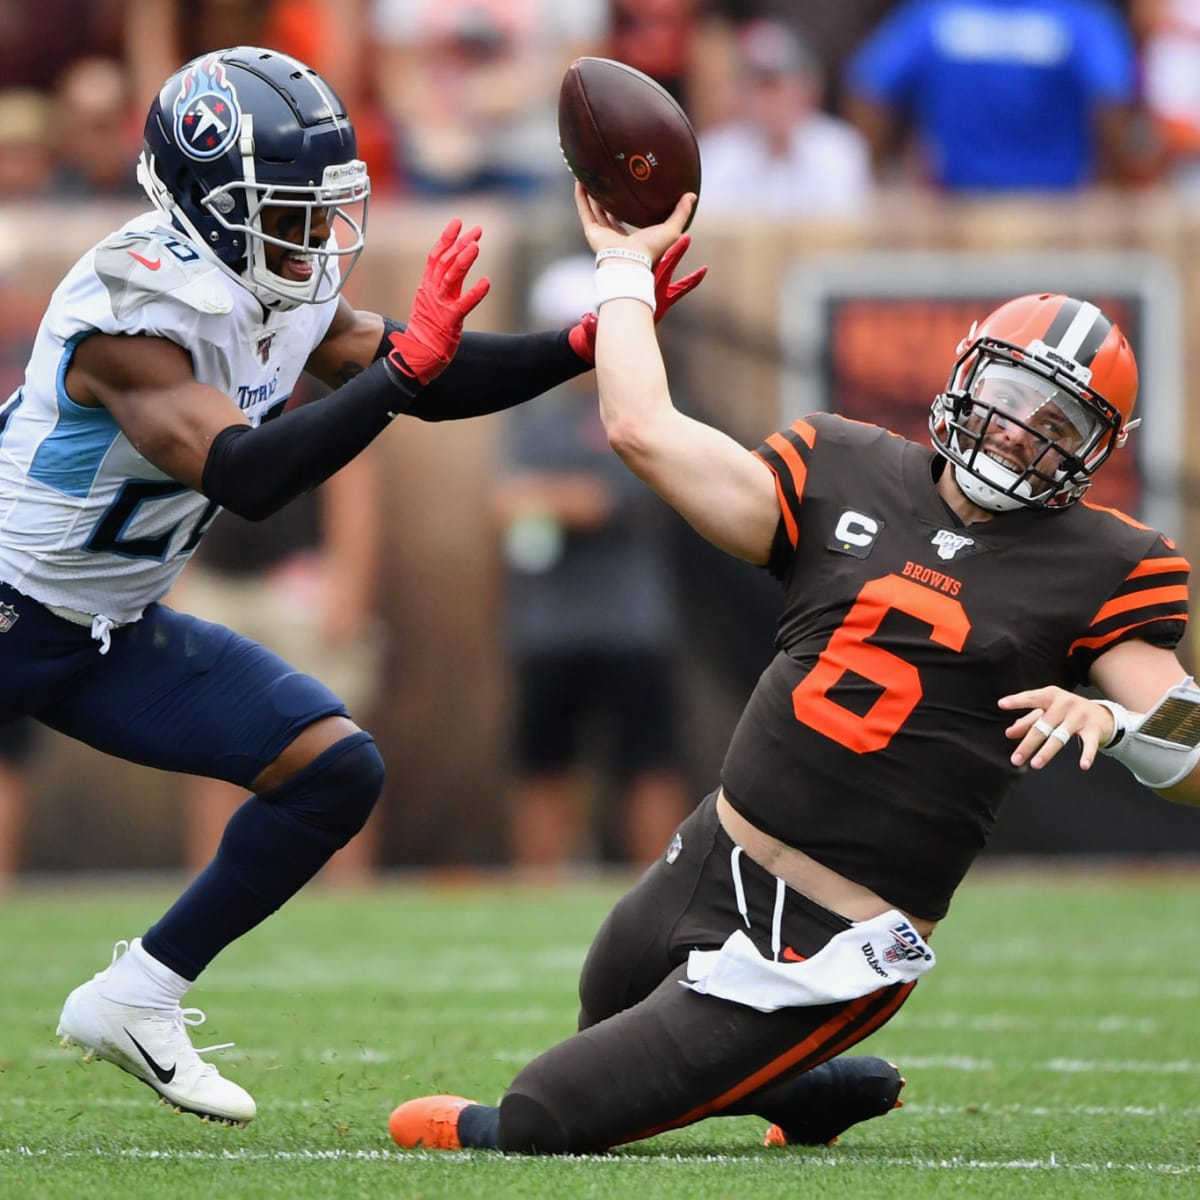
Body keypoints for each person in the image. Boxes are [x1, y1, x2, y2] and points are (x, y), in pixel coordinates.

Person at [387, 184, 1200, 1155]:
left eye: (1058, 424)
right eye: (1015, 397)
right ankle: (800, 1092)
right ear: (967, 375)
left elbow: (1195, 746)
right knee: (606, 994)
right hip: (717, 850)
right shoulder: (847, 466)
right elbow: (645, 430)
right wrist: (622, 273)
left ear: (1094, 453)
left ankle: (781, 1062)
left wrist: (1113, 727)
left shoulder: (1104, 565)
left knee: (537, 1118)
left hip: (836, 942)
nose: (1022, 432)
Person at [7, 46, 698, 1127]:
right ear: (200, 202)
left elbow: (423, 372)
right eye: (280, 210)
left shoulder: (267, 280)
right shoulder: (131, 309)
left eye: (316, 208)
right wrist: (400, 375)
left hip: (106, 624)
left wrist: (586, 337)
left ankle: (138, 995)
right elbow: (247, 474)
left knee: (332, 771)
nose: (307, 235)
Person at [492, 254, 689, 871]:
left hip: (630, 621)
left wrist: (550, 499)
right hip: (547, 625)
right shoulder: (531, 413)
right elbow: (502, 502)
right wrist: (559, 501)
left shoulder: (639, 406)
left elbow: (619, 500)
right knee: (542, 764)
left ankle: (661, 890)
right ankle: (538, 892)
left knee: (648, 764)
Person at [844, 0, 1142, 190]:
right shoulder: (1076, 16)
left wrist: (877, 178)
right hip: (1055, 208)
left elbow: (869, 90)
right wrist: (1111, 185)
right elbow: (1113, 102)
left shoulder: (937, 15)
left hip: (956, 213)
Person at [695, 18, 873, 218]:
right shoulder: (714, 155)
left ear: (808, 89)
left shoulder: (840, 149)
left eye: (775, 85)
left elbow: (846, 229)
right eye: (756, 86)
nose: (767, 100)